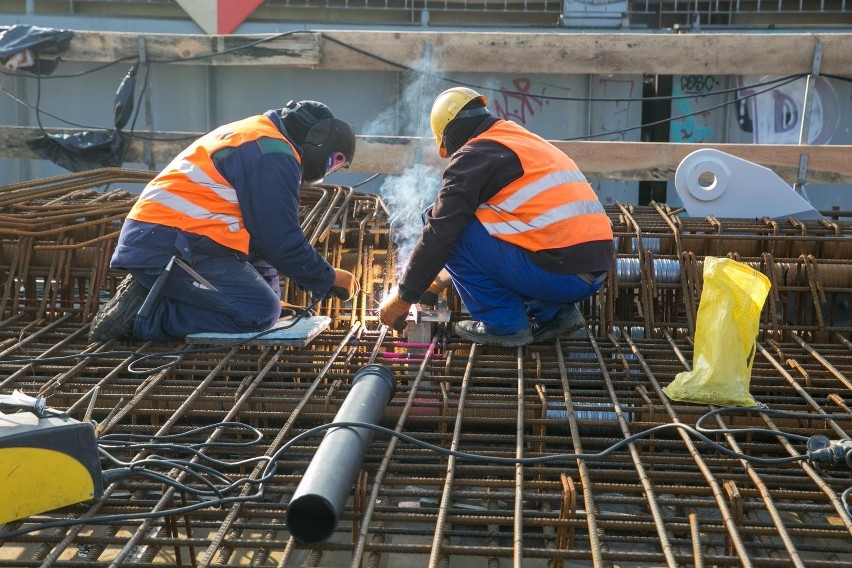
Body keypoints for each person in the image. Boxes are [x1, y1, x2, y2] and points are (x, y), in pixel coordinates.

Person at [89, 100, 359, 343]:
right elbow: (279, 240)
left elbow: (258, 241)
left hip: (177, 238)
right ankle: (145, 315)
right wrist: (328, 277)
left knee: (268, 306)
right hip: (169, 242)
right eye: (334, 161)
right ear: (318, 137)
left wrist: (270, 295)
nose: (329, 171)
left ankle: (153, 294)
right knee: (257, 313)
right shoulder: (273, 153)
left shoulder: (259, 135)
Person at [379, 87, 614, 346]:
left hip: (561, 274)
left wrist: (404, 296)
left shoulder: (474, 155)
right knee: (489, 220)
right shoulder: (518, 138)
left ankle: (505, 326)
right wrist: (433, 282)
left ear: (450, 134)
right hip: (592, 270)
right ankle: (555, 313)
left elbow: (440, 234)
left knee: (446, 225)